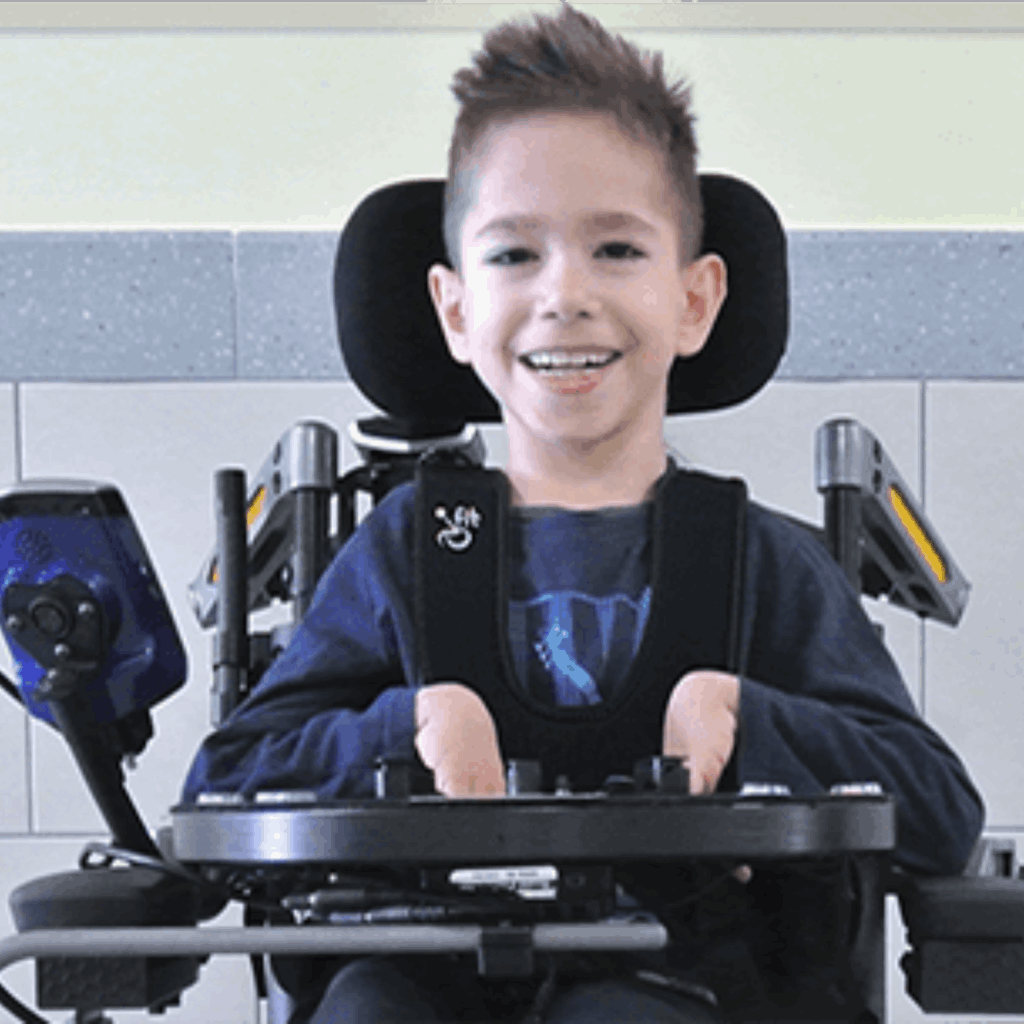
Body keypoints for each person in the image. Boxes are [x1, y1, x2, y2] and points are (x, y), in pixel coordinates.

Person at [181, 3, 985, 1021]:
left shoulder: (761, 563)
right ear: (455, 308)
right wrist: (406, 726)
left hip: (683, 972)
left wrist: (754, 719)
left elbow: (940, 810)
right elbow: (226, 782)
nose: (564, 293)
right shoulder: (402, 555)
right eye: (514, 255)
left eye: (615, 249)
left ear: (694, 299)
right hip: (421, 967)